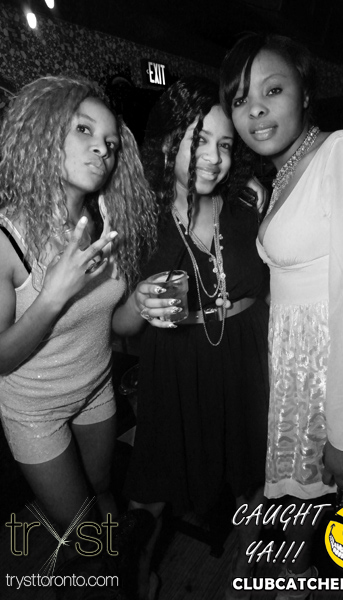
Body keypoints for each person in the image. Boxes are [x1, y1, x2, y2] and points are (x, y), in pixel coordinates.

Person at [220, 33, 343, 597]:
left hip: (340, 391)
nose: (255, 109)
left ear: (304, 92)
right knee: (318, 538)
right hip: (301, 387)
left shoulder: (342, 152)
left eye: (272, 90)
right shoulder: (281, 175)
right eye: (240, 99)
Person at [111, 76, 270, 600]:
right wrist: (137, 302)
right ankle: (137, 581)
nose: (215, 157)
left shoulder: (248, 203)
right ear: (167, 144)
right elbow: (120, 327)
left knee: (253, 472)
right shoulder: (142, 222)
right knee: (152, 488)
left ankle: (254, 565)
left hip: (245, 358)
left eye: (225, 144)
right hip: (176, 367)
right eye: (199, 140)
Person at [0, 76, 158, 554]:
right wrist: (52, 297)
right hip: (35, 410)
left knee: (104, 490)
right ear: (46, 133)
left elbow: (114, 326)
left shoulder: (106, 223)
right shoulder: (8, 238)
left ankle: (122, 576)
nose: (102, 149)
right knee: (80, 530)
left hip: (95, 388)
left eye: (111, 142)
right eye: (84, 130)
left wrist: (139, 303)